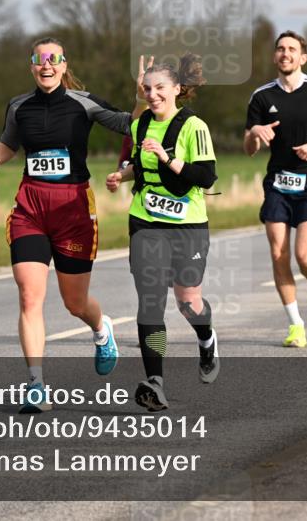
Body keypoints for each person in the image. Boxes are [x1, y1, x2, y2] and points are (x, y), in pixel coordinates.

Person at [0, 38, 132, 413]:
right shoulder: (18, 106)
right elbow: (8, 143)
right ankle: (36, 385)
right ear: (32, 66)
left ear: (63, 65)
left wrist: (143, 98)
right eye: (40, 60)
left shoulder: (84, 102)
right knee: (30, 296)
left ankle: (100, 328)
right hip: (31, 207)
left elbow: (132, 125)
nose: (46, 66)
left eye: (53, 59)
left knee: (74, 302)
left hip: (74, 210)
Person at [106, 54, 218, 411]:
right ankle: (155, 381)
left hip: (187, 225)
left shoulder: (193, 127)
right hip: (145, 221)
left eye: (159, 88)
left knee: (188, 303)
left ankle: (206, 338)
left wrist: (169, 158)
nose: (152, 94)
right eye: (147, 88)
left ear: (177, 90)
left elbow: (205, 177)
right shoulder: (139, 127)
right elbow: (138, 164)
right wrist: (120, 176)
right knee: (151, 300)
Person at [244, 32, 307, 348]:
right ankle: (295, 325)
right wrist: (255, 134)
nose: (285, 53)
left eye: (292, 49)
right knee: (278, 254)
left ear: (303, 57)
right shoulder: (261, 97)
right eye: (280, 49)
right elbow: (248, 148)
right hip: (277, 182)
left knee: (305, 256)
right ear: (275, 57)